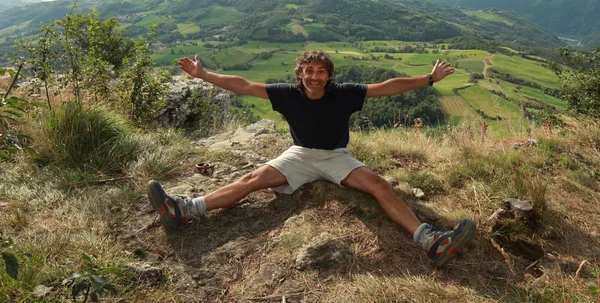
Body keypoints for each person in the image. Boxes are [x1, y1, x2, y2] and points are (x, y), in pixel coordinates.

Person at [148, 50, 476, 267]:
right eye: (309, 70)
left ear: (328, 75)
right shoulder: (287, 94)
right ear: (300, 73)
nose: (315, 76)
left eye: (321, 71)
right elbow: (244, 85)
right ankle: (184, 210)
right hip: (300, 155)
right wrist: (204, 75)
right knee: (251, 180)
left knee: (378, 185)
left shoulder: (344, 93)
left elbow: (388, 87)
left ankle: (430, 241)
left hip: (336, 156)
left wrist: (429, 80)